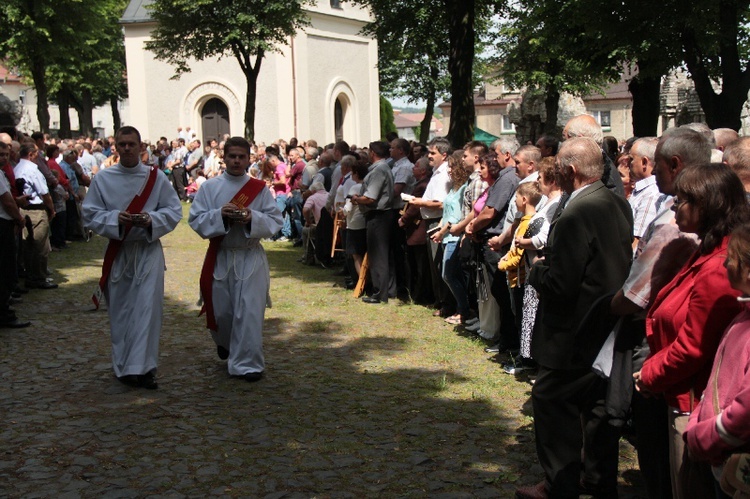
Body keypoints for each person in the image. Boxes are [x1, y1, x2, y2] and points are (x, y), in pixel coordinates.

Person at [517, 137, 633, 499]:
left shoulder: (576, 212)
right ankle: (597, 481)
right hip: (606, 324)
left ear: (570, 171)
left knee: (551, 401)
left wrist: (536, 269)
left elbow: (562, 283)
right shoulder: (617, 202)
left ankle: (560, 485)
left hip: (573, 330)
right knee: (596, 408)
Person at [634, 163, 749, 499]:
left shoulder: (721, 267)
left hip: (696, 406)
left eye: (682, 199)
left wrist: (649, 374)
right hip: (686, 398)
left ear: (706, 205)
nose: (674, 205)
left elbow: (693, 346)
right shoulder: (708, 250)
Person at [82, 126, 182, 389]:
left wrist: (151, 219)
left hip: (147, 250)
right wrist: (115, 219)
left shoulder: (156, 178)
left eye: (131, 144)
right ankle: (124, 365)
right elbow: (90, 214)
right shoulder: (103, 179)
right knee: (121, 310)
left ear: (141, 147)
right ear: (115, 147)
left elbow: (173, 211)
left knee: (148, 310)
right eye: (122, 144)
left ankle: (146, 367)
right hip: (119, 250)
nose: (127, 148)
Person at [188, 137, 282, 382]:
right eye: (232, 156)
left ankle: (248, 365)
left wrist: (252, 217)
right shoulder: (210, 188)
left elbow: (275, 221)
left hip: (249, 256)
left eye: (242, 156)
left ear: (249, 158)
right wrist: (220, 215)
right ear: (224, 158)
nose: (237, 161)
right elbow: (196, 220)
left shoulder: (259, 189)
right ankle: (226, 343)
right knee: (222, 313)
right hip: (221, 255)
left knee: (249, 312)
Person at [685, 222, 750, 498]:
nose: (725, 266)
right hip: (719, 456)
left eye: (732, 260)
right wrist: (698, 420)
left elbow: (745, 409)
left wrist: (706, 435)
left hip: (731, 458)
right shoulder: (741, 316)